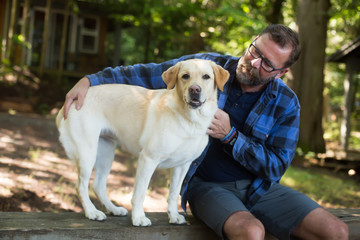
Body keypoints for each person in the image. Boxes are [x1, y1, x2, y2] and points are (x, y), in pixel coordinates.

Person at [63, 24, 348, 240]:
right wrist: (90, 80)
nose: (253, 61)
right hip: (208, 186)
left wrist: (231, 136)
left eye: (267, 63)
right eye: (254, 51)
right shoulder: (207, 67)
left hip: (260, 188)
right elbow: (145, 73)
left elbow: (276, 167)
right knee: (251, 232)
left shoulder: (286, 103)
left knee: (337, 231)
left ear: (280, 73)